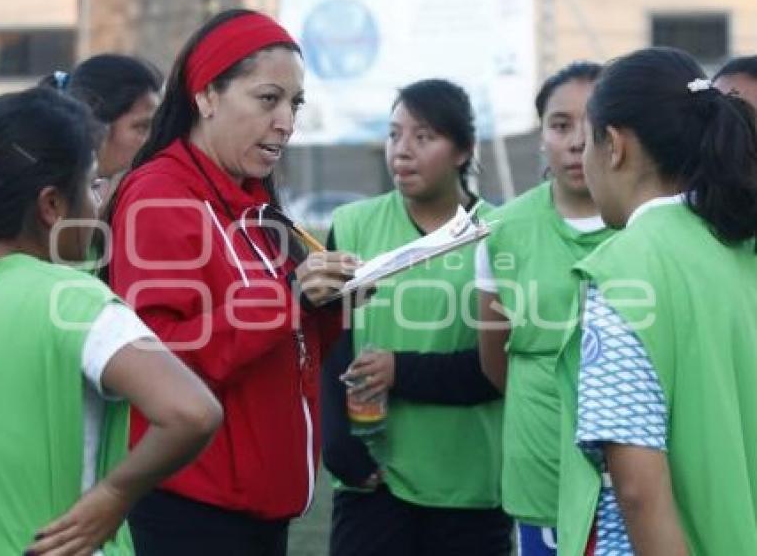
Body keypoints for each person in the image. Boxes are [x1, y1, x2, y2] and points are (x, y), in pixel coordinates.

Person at [0, 87, 222, 555]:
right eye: (94, 185)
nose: (100, 203)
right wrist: (114, 497)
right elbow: (193, 412)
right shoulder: (73, 301)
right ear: (52, 205)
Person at [107, 9, 356, 555]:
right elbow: (160, 357)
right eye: (268, 99)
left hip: (258, 508)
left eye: (295, 104)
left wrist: (329, 304)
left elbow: (284, 349)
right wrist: (290, 298)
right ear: (207, 96)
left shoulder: (253, 200)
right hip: (195, 510)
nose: (287, 121)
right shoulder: (161, 194)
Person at [556, 46, 757, 555]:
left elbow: (638, 490)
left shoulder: (626, 272)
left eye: (586, 141)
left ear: (615, 146)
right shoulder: (740, 243)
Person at [321, 79, 510, 556]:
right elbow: (328, 344)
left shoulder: (500, 232)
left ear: (463, 151)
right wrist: (340, 449)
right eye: (394, 135)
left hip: (469, 483)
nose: (402, 151)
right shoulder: (352, 224)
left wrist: (398, 370)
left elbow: (498, 370)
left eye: (423, 138)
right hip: (373, 481)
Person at [476, 61, 612, 555]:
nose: (577, 141)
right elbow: (495, 359)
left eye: (593, 124)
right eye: (560, 125)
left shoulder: (650, 223)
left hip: (635, 469)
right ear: (542, 137)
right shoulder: (502, 229)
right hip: (541, 468)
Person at [44, 54, 163, 203]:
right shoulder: (58, 205)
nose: (155, 140)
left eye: (158, 127)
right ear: (97, 128)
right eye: (141, 127)